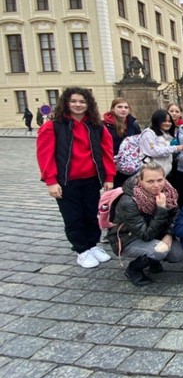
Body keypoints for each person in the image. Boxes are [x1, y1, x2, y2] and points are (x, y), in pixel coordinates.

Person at [36, 87, 116, 268]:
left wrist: (109, 177)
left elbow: (107, 153)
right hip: (66, 181)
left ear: (88, 104)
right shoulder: (53, 126)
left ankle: (92, 245)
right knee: (73, 217)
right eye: (73, 101)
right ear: (66, 103)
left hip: (91, 179)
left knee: (91, 215)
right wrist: (51, 181)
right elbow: (45, 155)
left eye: (82, 101)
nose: (78, 105)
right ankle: (81, 250)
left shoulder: (97, 126)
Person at [107, 162, 183, 286]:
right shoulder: (129, 202)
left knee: (178, 254)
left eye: (160, 180)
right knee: (160, 251)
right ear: (140, 181)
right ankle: (133, 269)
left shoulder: (168, 192)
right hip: (128, 238)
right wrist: (161, 209)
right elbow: (145, 235)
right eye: (150, 181)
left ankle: (153, 261)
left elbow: (176, 216)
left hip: (157, 232)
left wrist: (169, 235)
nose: (157, 185)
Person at [103, 98, 141, 187]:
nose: (123, 110)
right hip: (113, 167)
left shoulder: (133, 124)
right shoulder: (105, 126)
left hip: (131, 166)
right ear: (113, 109)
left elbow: (139, 143)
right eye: (119, 107)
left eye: (126, 107)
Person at [139, 109, 183, 176]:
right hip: (150, 172)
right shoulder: (148, 133)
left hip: (163, 173)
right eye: (164, 121)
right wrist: (175, 148)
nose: (167, 123)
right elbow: (154, 151)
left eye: (169, 121)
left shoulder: (167, 134)